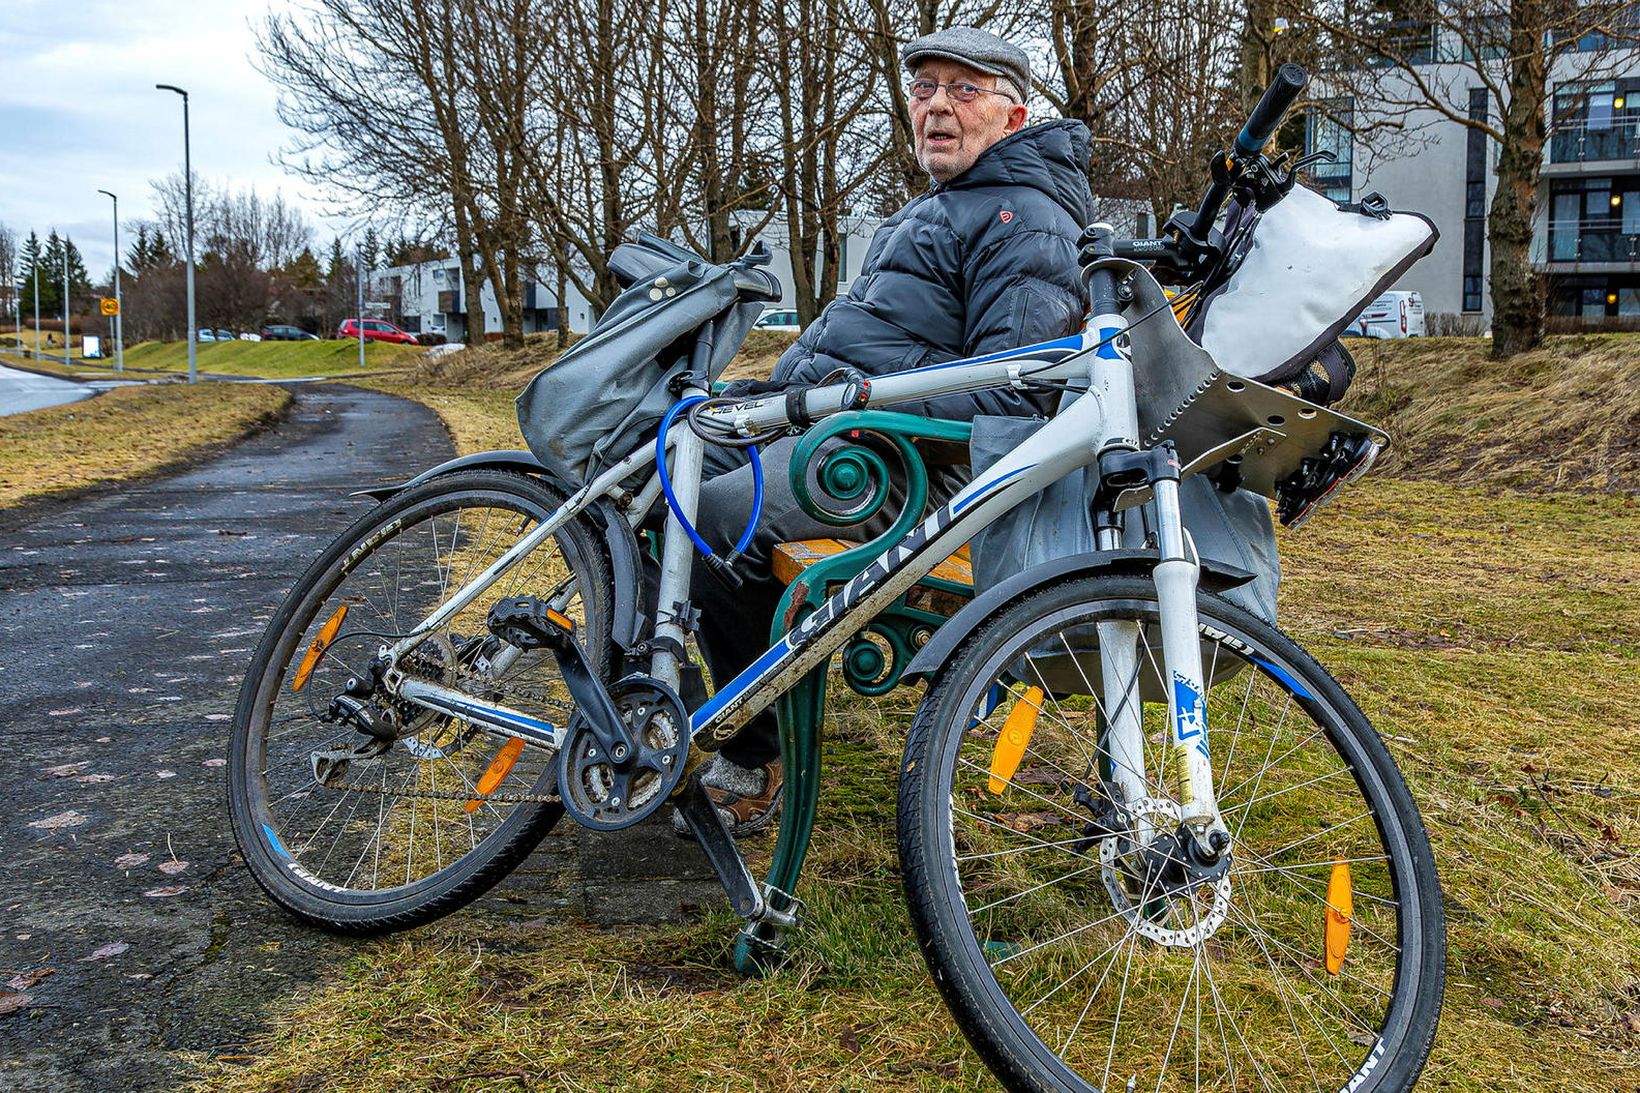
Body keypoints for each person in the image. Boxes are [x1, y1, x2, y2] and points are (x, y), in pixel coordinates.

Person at [673, 26, 1098, 837]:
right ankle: (660, 714)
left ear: (1013, 118)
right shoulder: (944, 204)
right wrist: (757, 393)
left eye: (964, 89)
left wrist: (840, 409)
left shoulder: (1026, 218)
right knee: (642, 467)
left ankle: (750, 755)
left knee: (710, 522)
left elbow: (1008, 397)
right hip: (835, 431)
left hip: (904, 464)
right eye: (925, 88)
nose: (937, 104)